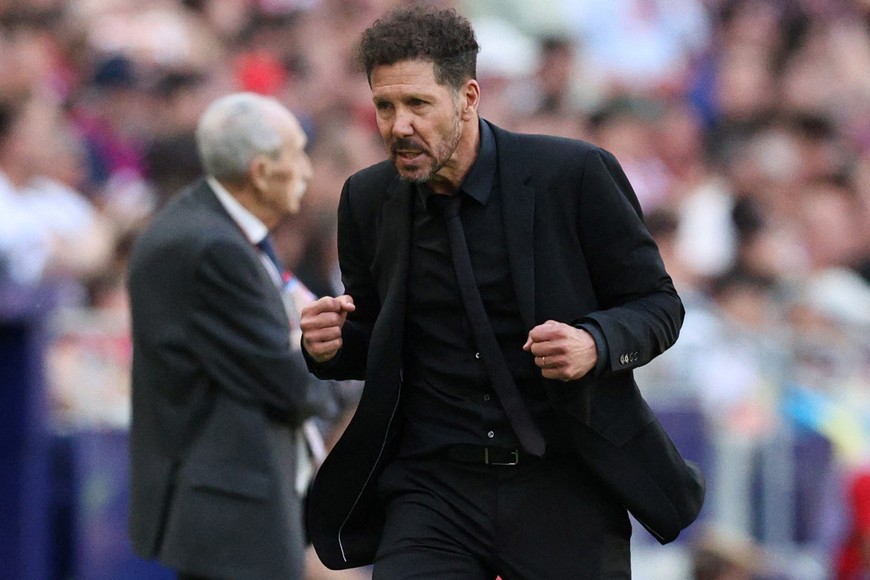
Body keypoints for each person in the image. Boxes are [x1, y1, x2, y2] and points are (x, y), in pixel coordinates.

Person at [300, 6, 704, 579]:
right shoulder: (366, 200)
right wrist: (328, 346)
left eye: (418, 104)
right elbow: (372, 340)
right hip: (431, 490)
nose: (398, 125)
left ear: (468, 96)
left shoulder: (575, 175)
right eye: (384, 106)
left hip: (562, 482)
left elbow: (660, 306)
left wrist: (594, 343)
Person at [127, 92, 321, 580]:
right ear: (259, 171)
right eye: (297, 153)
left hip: (236, 503)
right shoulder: (211, 246)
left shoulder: (218, 228)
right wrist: (323, 351)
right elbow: (290, 384)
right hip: (231, 513)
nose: (307, 169)